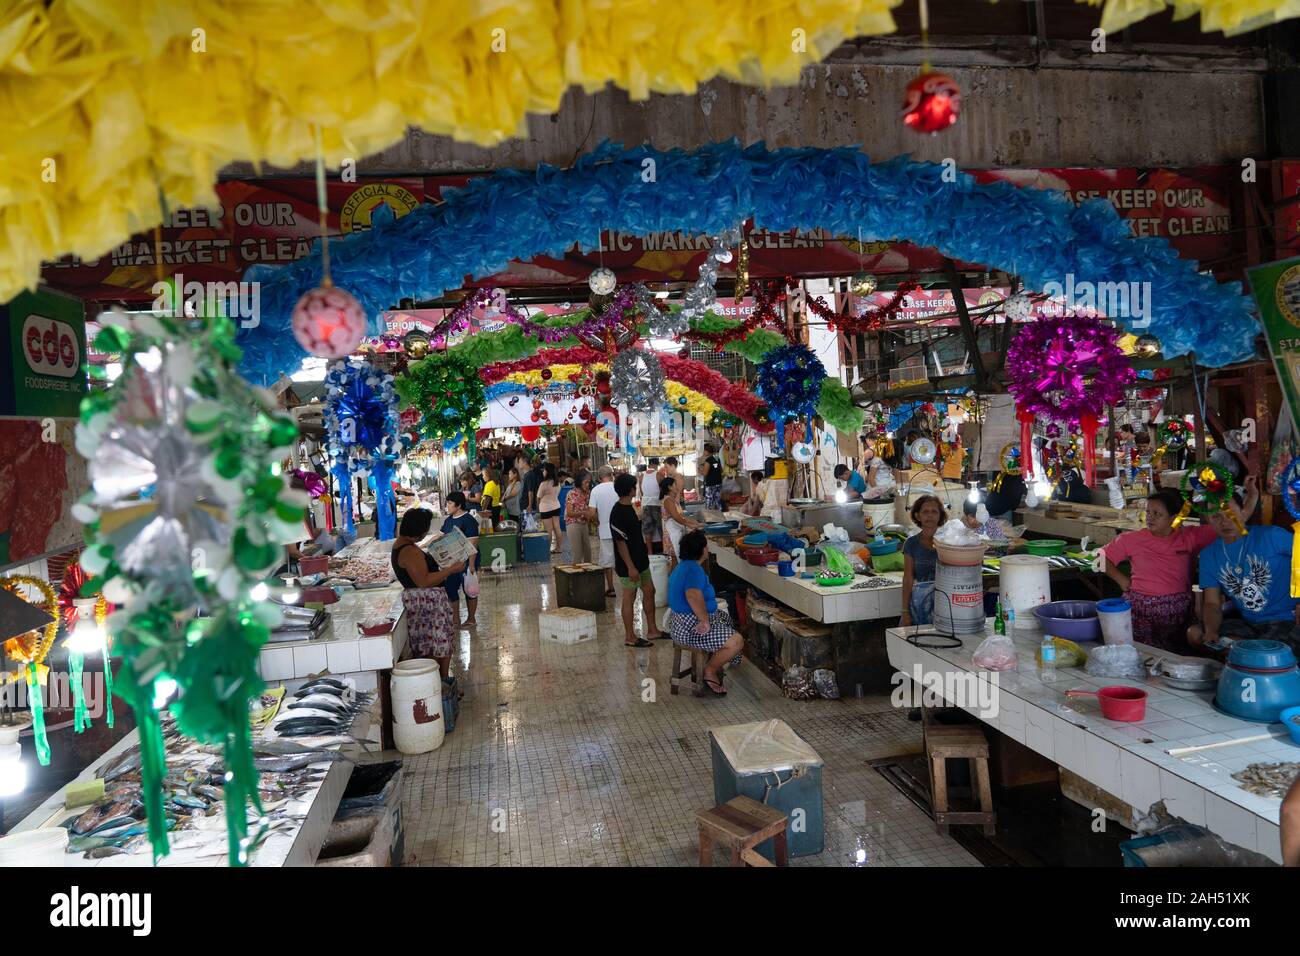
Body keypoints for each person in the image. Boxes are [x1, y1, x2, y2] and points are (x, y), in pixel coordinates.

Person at [1101, 485, 1254, 652]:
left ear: (1174, 518)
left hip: (1179, 611)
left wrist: (1251, 497)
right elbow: (1100, 558)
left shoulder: (1191, 536)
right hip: (1141, 609)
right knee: (1143, 652)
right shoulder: (1130, 539)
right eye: (1148, 512)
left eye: (1157, 514)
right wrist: (1121, 580)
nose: (1150, 518)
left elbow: (1234, 523)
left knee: (1179, 653)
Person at [1188, 487, 1300, 654]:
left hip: (1287, 619)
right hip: (1249, 623)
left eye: (1230, 513)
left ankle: (1244, 653)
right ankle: (1242, 652)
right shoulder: (1208, 555)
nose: (1224, 522)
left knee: (1257, 653)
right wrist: (1211, 631)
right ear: (1207, 519)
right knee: (1195, 634)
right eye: (1216, 516)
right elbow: (1212, 603)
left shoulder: (1272, 536)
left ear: (1243, 512)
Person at [668, 530, 744, 696]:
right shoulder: (693, 570)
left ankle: (723, 658)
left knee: (726, 618)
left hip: (680, 624)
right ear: (701, 550)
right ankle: (709, 670)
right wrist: (704, 621)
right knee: (737, 641)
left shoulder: (683, 566)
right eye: (706, 547)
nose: (707, 550)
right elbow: (692, 595)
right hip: (690, 628)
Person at [391, 508, 465, 680]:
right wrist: (451, 569)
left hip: (424, 600)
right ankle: (441, 680)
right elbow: (424, 581)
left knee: (433, 642)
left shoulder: (404, 545)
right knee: (437, 643)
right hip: (427, 601)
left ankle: (441, 679)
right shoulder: (408, 551)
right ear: (419, 530)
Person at [610, 472, 664, 646]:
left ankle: (653, 630)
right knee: (629, 596)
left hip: (640, 561)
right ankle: (630, 636)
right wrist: (630, 567)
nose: (636, 489)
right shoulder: (618, 512)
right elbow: (620, 543)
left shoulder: (629, 508)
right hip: (629, 565)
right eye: (634, 487)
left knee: (649, 591)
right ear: (630, 490)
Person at [900, 495, 946, 627]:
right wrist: (905, 611)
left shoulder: (947, 541)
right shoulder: (911, 544)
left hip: (945, 603)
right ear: (918, 516)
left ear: (940, 516)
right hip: (919, 604)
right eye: (925, 512)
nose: (930, 515)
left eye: (934, 512)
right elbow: (908, 578)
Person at [440, 491, 481, 627]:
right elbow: (439, 536)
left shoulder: (468, 520)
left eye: (450, 503)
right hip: (452, 562)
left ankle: (471, 619)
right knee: (450, 588)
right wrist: (423, 545)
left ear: (458, 505)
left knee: (469, 589)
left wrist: (471, 565)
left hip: (467, 561)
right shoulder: (449, 520)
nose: (447, 506)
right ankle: (455, 619)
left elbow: (473, 543)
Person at [589, 466, 620, 597]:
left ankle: (611, 589)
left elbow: (591, 513)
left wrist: (598, 521)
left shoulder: (595, 490)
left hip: (605, 530)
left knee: (607, 561)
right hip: (620, 529)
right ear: (611, 475)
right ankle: (628, 585)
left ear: (599, 477)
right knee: (622, 557)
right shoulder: (618, 487)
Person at [661, 474, 703, 566]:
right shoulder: (668, 500)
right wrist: (690, 525)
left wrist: (694, 522)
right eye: (675, 484)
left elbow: (681, 516)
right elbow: (676, 517)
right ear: (670, 487)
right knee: (675, 561)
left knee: (676, 561)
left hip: (676, 531)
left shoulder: (672, 500)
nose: (677, 486)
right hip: (671, 533)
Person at [565, 470, 595, 563]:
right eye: (586, 482)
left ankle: (587, 570)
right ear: (580, 481)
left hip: (584, 524)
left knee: (587, 552)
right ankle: (577, 571)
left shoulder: (588, 493)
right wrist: (583, 513)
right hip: (573, 525)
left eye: (589, 482)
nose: (588, 484)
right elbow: (569, 513)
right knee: (577, 553)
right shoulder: (571, 493)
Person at [536, 462, 563, 554]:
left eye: (544, 470)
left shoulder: (543, 484)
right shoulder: (557, 483)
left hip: (545, 509)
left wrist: (538, 509)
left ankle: (546, 550)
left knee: (549, 530)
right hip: (556, 507)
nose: (543, 471)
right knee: (557, 528)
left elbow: (538, 497)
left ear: (547, 471)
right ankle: (559, 548)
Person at [640, 457, 663, 554]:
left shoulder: (642, 476)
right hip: (657, 504)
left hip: (645, 505)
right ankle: (664, 548)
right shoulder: (659, 475)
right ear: (655, 465)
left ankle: (649, 551)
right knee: (661, 528)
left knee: (647, 529)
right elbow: (663, 490)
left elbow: (641, 492)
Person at [699, 442, 723, 511]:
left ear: (707, 451)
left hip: (710, 485)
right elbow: (721, 470)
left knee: (709, 503)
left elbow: (705, 473)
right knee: (718, 502)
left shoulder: (708, 460)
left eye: (704, 450)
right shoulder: (717, 458)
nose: (703, 452)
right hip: (718, 483)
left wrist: (699, 471)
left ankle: (709, 516)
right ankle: (720, 515)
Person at [557, 469, 572, 536]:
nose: (560, 480)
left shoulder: (567, 480)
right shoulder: (569, 479)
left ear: (563, 476)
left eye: (560, 478)